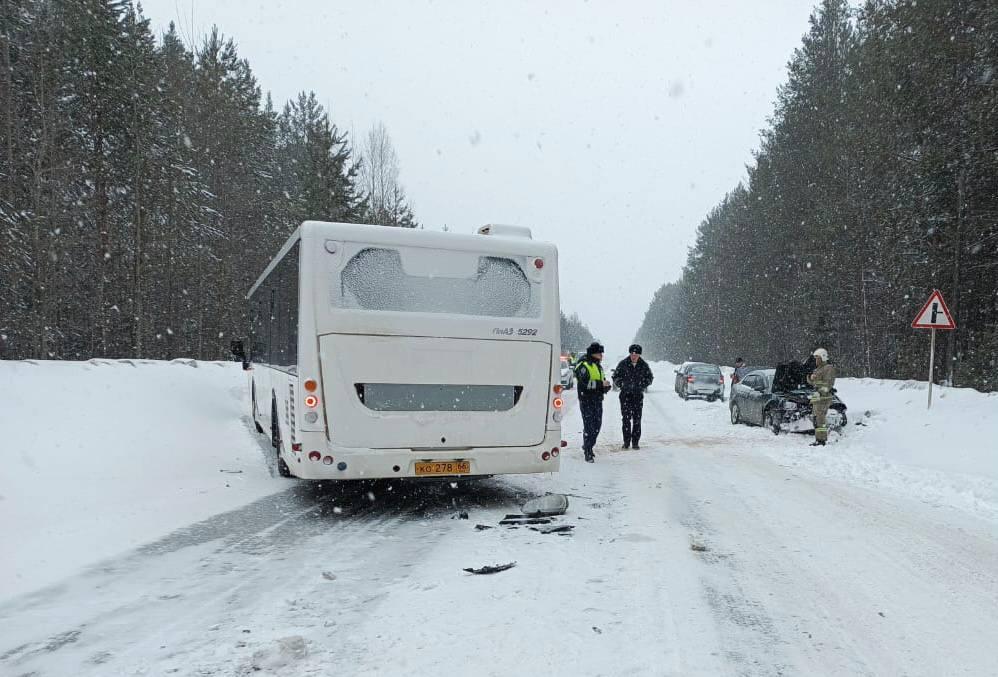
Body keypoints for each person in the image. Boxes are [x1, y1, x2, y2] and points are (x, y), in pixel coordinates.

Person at [575, 341, 612, 462]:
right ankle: (588, 451)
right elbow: (584, 384)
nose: (602, 356)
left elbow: (601, 381)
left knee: (597, 426)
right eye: (599, 353)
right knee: (589, 426)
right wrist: (601, 384)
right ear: (593, 354)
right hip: (586, 400)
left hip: (597, 400)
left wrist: (605, 386)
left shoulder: (598, 366)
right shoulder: (583, 366)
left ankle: (588, 445)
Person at [612, 344, 654, 450]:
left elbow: (650, 378)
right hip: (625, 396)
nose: (634, 356)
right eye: (632, 354)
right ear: (630, 354)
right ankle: (626, 442)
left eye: (636, 354)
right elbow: (615, 376)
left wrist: (642, 385)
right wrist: (621, 384)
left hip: (637, 396)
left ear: (639, 355)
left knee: (637, 420)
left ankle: (635, 442)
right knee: (626, 419)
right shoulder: (623, 364)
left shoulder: (644, 365)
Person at [806, 348, 836, 446]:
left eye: (817, 358)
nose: (816, 360)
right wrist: (810, 378)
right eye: (815, 358)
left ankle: (821, 440)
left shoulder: (828, 368)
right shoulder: (818, 369)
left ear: (823, 357)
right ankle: (818, 438)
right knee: (816, 419)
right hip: (817, 397)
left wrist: (821, 392)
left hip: (824, 398)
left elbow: (828, 384)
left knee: (820, 419)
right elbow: (814, 383)